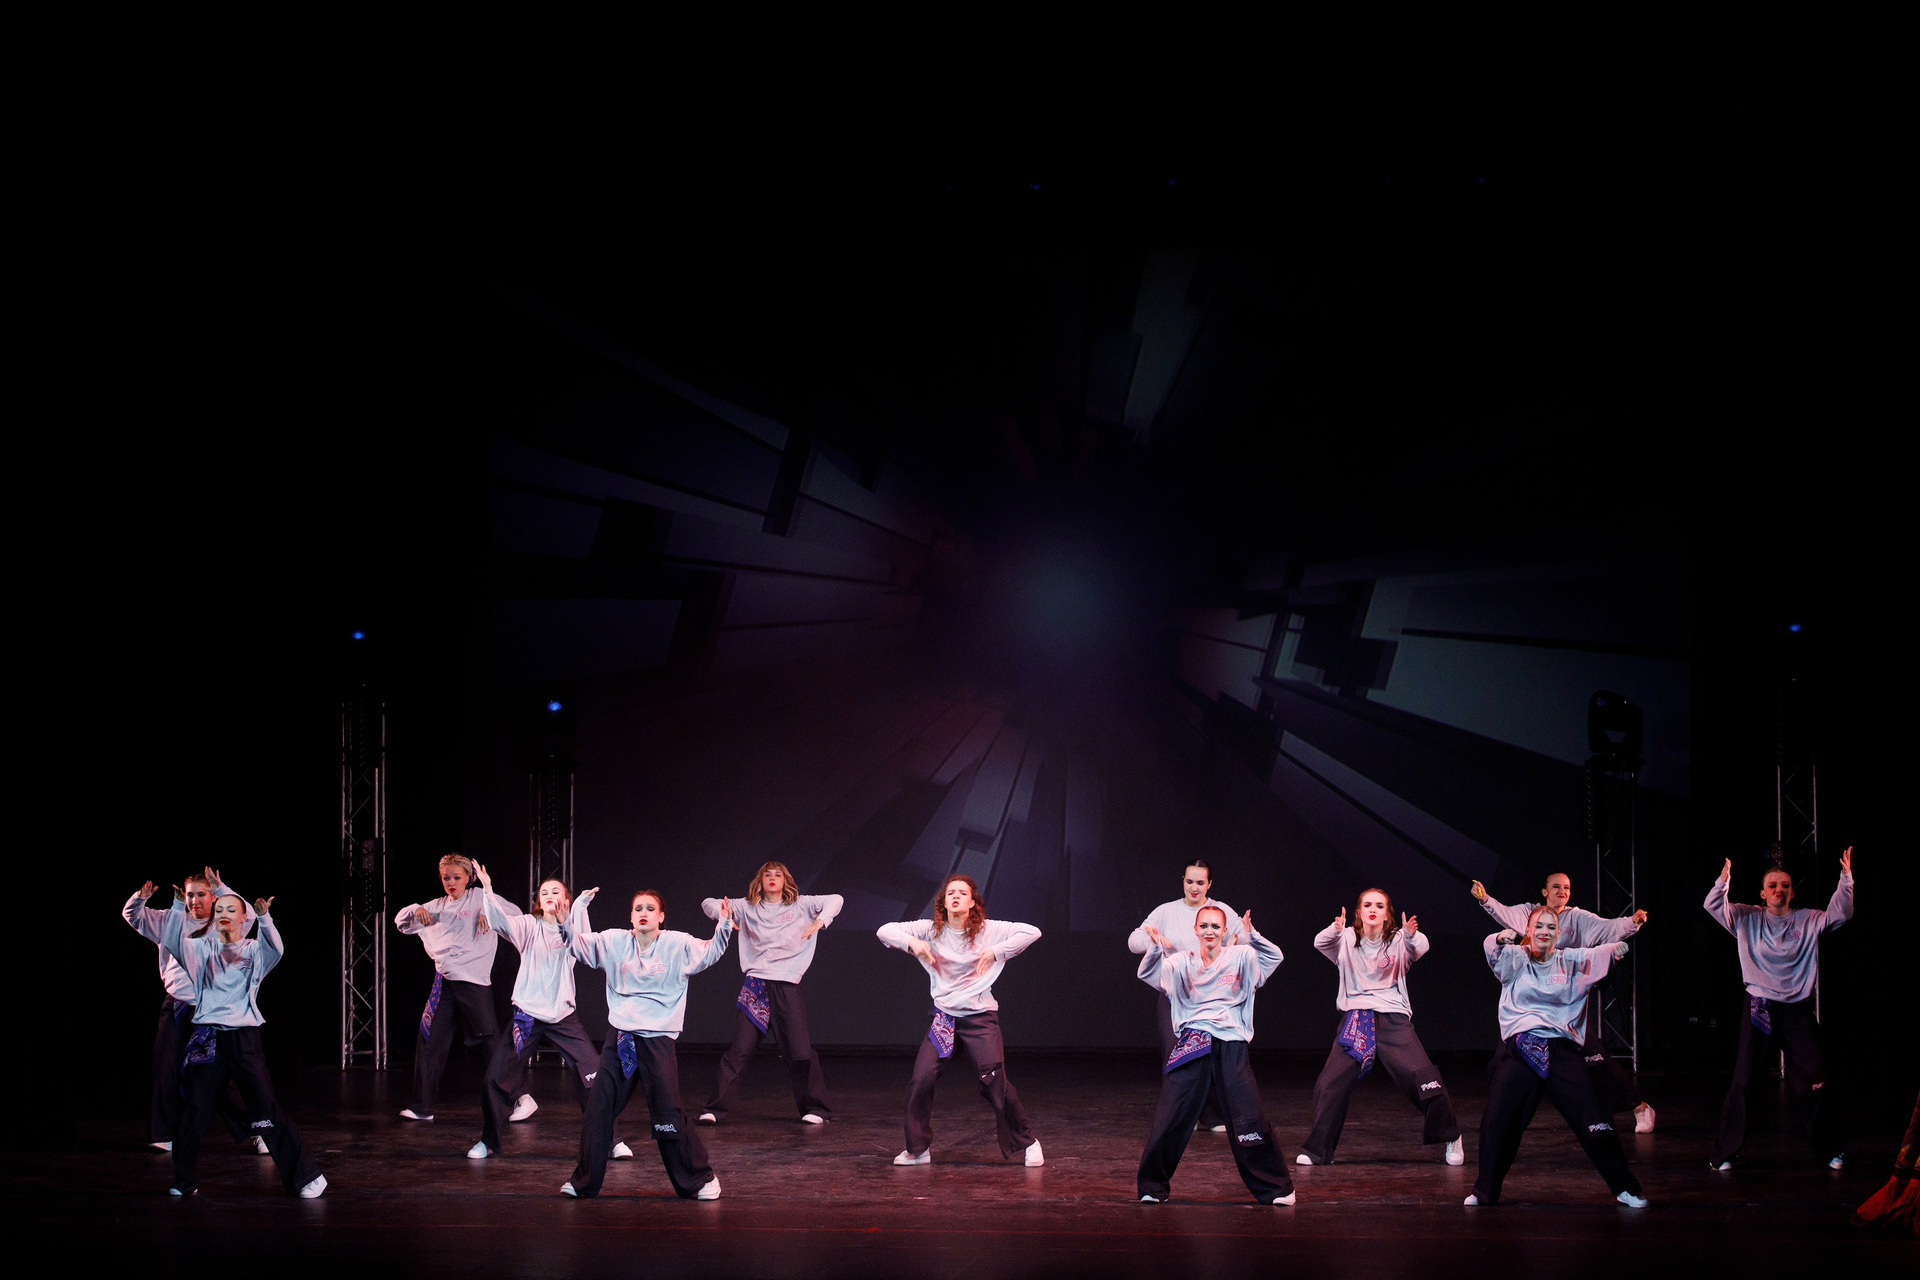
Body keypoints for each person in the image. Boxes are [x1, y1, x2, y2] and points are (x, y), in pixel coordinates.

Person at [130, 880, 325, 1198]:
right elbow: (172, 941)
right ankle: (184, 1181)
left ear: (242, 919)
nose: (223, 914)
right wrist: (178, 907)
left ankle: (307, 1177)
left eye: (230, 910)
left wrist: (265, 919)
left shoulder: (253, 950)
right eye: (219, 909)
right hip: (209, 1038)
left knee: (266, 1110)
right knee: (196, 1109)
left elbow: (276, 949)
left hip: (244, 1041)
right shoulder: (201, 949)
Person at [1467, 907, 1644, 1208]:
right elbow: (1492, 950)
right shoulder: (1516, 959)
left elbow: (1598, 953)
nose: (1544, 932)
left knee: (1594, 1115)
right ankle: (1485, 1191)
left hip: (1562, 1049)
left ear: (1558, 934)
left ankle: (1624, 1187)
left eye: (1551, 927)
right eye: (1538, 926)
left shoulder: (1570, 960)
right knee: (1499, 1119)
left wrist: (1615, 949)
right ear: (1528, 930)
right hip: (1522, 1047)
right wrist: (1499, 938)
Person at [562, 888, 731, 1200]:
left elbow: (710, 952)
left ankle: (699, 1179)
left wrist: (723, 925)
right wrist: (568, 918)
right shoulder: (615, 942)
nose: (643, 913)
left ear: (661, 917)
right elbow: (579, 946)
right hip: (621, 1040)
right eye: (638, 908)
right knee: (598, 1109)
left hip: (657, 1041)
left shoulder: (677, 944)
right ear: (631, 916)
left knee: (667, 1114)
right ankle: (584, 1182)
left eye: (650, 908)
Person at [465, 864, 630, 1162]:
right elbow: (501, 923)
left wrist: (580, 907)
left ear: (565, 899)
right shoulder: (529, 926)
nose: (550, 896)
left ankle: (611, 1140)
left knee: (593, 1077)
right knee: (495, 1078)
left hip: (563, 1018)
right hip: (526, 1017)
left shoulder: (571, 931)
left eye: (556, 892)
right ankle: (489, 1140)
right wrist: (487, 889)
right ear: (539, 902)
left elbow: (585, 947)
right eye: (544, 893)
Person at [877, 874, 1043, 1167]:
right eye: (950, 892)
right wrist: (912, 943)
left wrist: (997, 951)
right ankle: (918, 1149)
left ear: (972, 902)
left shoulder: (989, 930)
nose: (955, 896)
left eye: (962, 893)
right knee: (921, 1078)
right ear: (943, 902)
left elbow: (1032, 932)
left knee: (994, 1081)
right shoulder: (931, 930)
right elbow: (884, 931)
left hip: (980, 1019)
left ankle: (1028, 1142)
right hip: (945, 1019)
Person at [1705, 847, 1853, 1172]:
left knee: (1819, 1077)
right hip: (1760, 1005)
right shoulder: (1747, 917)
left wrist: (1846, 880)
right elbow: (1714, 906)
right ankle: (1723, 1152)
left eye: (1785, 885)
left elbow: (1840, 914)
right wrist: (1722, 883)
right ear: (1762, 893)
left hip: (1796, 1009)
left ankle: (1828, 1148)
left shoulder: (1807, 919)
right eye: (1772, 885)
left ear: (1792, 892)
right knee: (1745, 1081)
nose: (1779, 890)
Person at [1135, 905, 1295, 1205]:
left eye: (1215, 926)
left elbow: (1274, 957)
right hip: (1193, 1042)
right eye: (1204, 926)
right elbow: (1149, 975)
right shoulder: (1181, 962)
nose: (1209, 931)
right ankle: (1151, 1187)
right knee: (1172, 1113)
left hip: (1231, 1043)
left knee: (1248, 1115)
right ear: (1195, 930)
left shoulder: (1241, 957)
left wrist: (1252, 935)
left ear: (1224, 931)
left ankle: (1276, 1188)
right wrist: (1156, 948)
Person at [1471, 871, 1654, 1132]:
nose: (1562, 892)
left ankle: (1639, 1107)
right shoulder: (1530, 913)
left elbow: (1608, 928)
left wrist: (1631, 923)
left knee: (1595, 1060)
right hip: (1531, 1010)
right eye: (1556, 887)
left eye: (1567, 888)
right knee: (1503, 1060)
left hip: (1566, 1008)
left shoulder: (1578, 919)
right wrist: (1486, 900)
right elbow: (1506, 915)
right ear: (1544, 892)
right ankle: (1502, 1119)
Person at [1298, 889, 1462, 1167]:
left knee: (1423, 1078)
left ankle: (1452, 1135)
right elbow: (1320, 942)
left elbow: (1421, 947)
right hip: (1356, 1017)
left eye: (1379, 906)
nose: (1372, 909)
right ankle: (1319, 1150)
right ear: (1359, 911)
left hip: (1392, 1017)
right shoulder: (1345, 938)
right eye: (1367, 905)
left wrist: (1410, 935)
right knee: (1330, 1083)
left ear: (1387, 914)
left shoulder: (1398, 939)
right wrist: (1335, 929)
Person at [122, 867, 263, 1156]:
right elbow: (132, 916)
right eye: (190, 895)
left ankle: (257, 1130)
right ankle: (162, 1133)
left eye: (201, 894)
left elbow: (248, 914)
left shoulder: (224, 922)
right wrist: (140, 898)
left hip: (211, 1009)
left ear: (212, 898)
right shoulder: (169, 920)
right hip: (176, 1004)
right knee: (166, 1067)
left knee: (219, 1077)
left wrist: (222, 888)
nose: (195, 901)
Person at [696, 861, 842, 1126]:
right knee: (739, 1051)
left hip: (787, 985)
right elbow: (708, 903)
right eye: (767, 875)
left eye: (778, 875)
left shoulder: (801, 905)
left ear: (785, 880)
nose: (773, 878)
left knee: (800, 1052)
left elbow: (836, 899)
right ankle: (714, 1110)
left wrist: (822, 920)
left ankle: (816, 1109)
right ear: (760, 880)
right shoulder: (747, 906)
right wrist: (724, 914)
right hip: (756, 987)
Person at [394, 853, 525, 1123]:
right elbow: (402, 923)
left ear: (468, 878)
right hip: (444, 983)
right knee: (429, 1040)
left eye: (456, 877)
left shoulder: (479, 897)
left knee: (489, 1042)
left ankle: (521, 1097)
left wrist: (491, 912)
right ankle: (422, 1107)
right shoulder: (437, 906)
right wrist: (415, 909)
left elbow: (516, 914)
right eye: (446, 878)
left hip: (473, 983)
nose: (451, 883)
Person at [1128, 860, 1243, 1132]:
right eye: (1189, 881)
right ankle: (1180, 1116)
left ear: (1209, 884)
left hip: (1209, 999)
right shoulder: (1166, 912)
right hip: (1175, 997)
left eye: (1200, 883)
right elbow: (1134, 941)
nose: (1194, 887)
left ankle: (1211, 1114)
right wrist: (1153, 939)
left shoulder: (1219, 911)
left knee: (1209, 1055)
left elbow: (1244, 936)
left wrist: (1235, 944)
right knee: (1175, 1055)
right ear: (1182, 880)